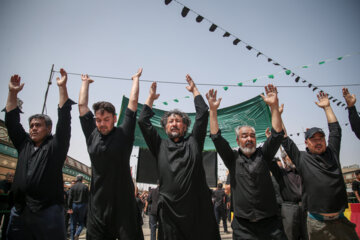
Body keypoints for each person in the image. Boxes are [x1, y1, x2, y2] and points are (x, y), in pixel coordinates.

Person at [138, 76, 221, 240]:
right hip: (169, 216)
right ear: (165, 127)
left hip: (197, 213)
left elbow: (203, 113)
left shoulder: (194, 141)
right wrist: (151, 98)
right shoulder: (159, 145)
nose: (174, 123)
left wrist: (194, 90)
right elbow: (142, 120)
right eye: (170, 121)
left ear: (184, 126)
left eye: (177, 121)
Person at [207, 85, 287, 239]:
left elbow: (277, 134)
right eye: (244, 136)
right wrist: (213, 111)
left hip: (271, 225)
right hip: (243, 228)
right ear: (238, 140)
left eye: (252, 136)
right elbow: (216, 137)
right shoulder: (233, 159)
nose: (249, 139)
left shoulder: (264, 155)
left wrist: (274, 106)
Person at [4, 69, 74, 240]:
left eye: (38, 125)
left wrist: (62, 87)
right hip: (19, 212)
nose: (34, 128)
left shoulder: (55, 146)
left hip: (48, 213)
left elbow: (64, 120)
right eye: (32, 125)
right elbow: (11, 121)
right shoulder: (24, 144)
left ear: (49, 129)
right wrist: (12, 93)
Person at [281, 91, 359, 240]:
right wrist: (275, 111)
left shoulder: (332, 154)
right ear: (306, 143)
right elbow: (284, 138)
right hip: (317, 224)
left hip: (341, 221)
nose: (318, 142)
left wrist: (327, 107)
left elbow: (335, 130)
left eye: (321, 138)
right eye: (313, 139)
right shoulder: (302, 159)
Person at [78, 69, 144, 240]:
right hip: (98, 206)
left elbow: (133, 104)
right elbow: (82, 107)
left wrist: (135, 79)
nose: (102, 124)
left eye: (106, 119)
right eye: (98, 120)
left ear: (115, 119)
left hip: (123, 205)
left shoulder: (124, 134)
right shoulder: (92, 135)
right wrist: (85, 83)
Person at [68, 175, 89, 240]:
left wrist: (69, 207)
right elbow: (88, 198)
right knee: (81, 222)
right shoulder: (85, 187)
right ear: (82, 179)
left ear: (76, 179)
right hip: (82, 206)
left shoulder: (72, 187)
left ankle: (72, 238)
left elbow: (70, 198)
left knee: (73, 223)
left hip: (74, 205)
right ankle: (77, 234)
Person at [0, 172, 14, 240]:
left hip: (9, 205)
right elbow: (2, 192)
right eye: (10, 176)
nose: (11, 177)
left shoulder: (13, 185)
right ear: (6, 176)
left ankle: (3, 237)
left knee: (6, 224)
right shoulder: (2, 182)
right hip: (1, 204)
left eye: (12, 176)